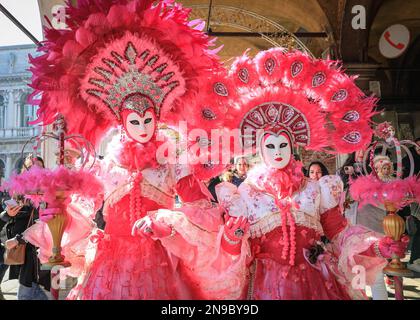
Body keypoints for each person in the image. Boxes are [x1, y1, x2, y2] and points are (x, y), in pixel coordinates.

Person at [27, 0, 223, 300]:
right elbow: (81, 209)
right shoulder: (106, 168)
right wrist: (59, 211)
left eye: (148, 119)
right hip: (110, 265)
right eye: (135, 120)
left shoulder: (172, 164)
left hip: (161, 264)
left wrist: (166, 222)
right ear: (122, 122)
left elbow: (203, 213)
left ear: (157, 117)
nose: (142, 126)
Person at [200, 49, 407, 299]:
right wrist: (233, 238)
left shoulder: (316, 188)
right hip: (265, 285)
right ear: (261, 150)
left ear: (293, 146)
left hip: (316, 282)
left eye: (283, 145)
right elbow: (231, 253)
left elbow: (339, 233)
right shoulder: (245, 192)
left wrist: (375, 246)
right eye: (270, 146)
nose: (277, 152)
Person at [0, 156, 51, 300]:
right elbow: (9, 224)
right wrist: (9, 215)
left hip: (38, 252)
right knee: (28, 290)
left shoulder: (46, 193)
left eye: (39, 167)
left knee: (28, 291)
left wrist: (18, 239)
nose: (35, 171)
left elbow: (42, 224)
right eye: (30, 167)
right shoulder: (19, 193)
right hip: (21, 253)